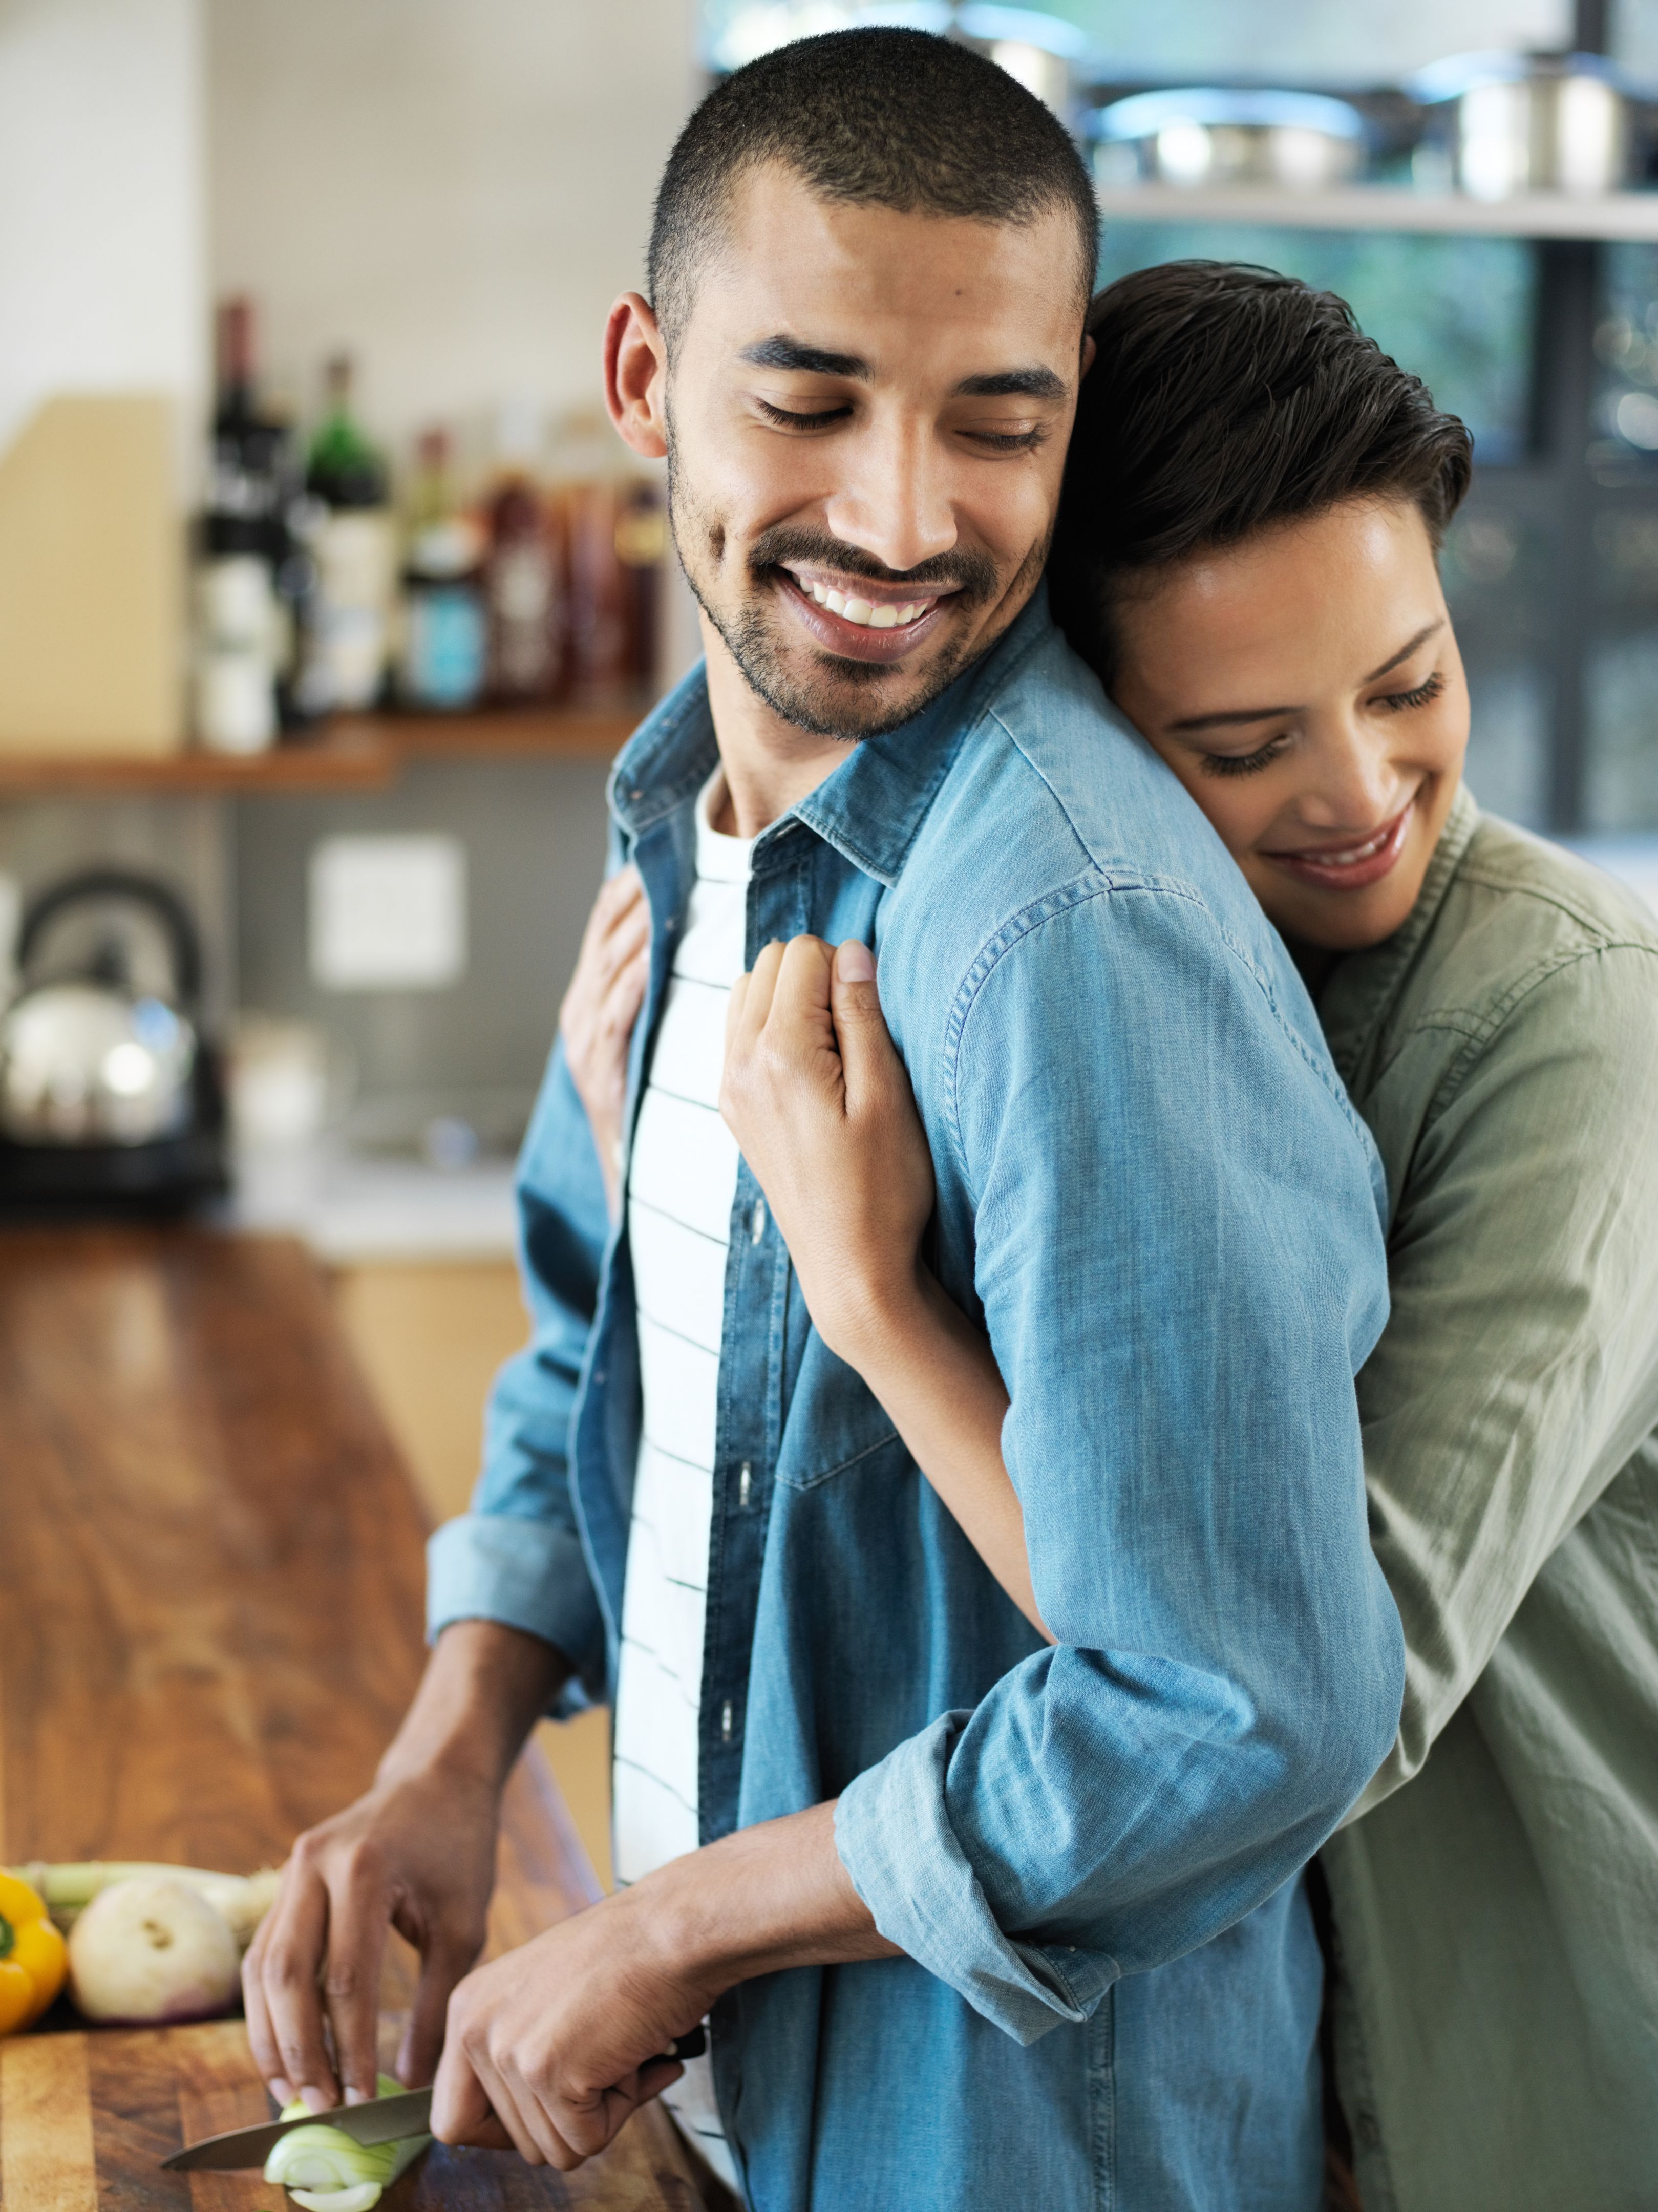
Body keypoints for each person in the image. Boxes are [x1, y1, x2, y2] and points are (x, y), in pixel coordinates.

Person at [242, 45, 1405, 2212]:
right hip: (742, 2116)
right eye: (807, 401)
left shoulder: (1063, 931)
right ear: (644, 378)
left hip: (998, 2154)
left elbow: (1244, 1710)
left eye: (999, 422)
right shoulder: (701, 811)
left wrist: (669, 1926)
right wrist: (449, 1758)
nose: (901, 519)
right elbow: (609, 1344)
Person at [561, 264, 1658, 2211]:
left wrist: (876, 1309)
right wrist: (644, 1137)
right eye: (1238, 748)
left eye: (1410, 681)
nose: (1357, 793)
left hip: (1517, 2073)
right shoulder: (1072, 958)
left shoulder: (1568, 1021)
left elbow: (1299, 1687)